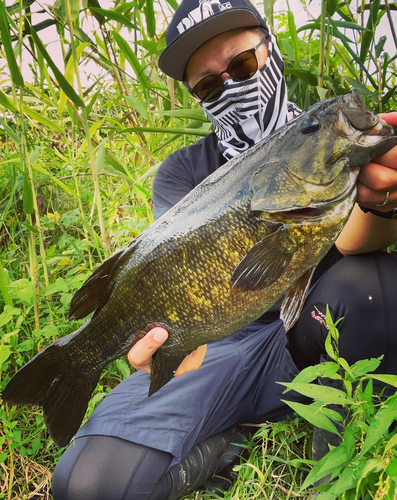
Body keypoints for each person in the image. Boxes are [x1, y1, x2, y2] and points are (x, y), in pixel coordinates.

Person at [52, 0, 397, 498]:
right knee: (85, 484)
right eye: (211, 85)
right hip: (215, 344)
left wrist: (383, 199)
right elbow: (167, 278)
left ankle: (345, 457)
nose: (233, 88)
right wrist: (167, 346)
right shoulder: (183, 173)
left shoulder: (323, 145)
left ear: (271, 50)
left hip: (314, 333)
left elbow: (353, 240)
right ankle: (226, 435)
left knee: (367, 286)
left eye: (242, 65)